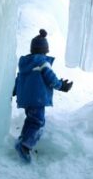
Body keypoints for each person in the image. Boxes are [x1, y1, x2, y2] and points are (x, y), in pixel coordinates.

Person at [12, 29, 73, 163]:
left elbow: (19, 79)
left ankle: (23, 140)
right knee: (38, 122)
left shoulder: (25, 64)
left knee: (31, 120)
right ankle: (25, 146)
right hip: (37, 99)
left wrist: (13, 91)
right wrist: (62, 86)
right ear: (45, 50)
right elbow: (51, 78)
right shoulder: (43, 62)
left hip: (27, 99)